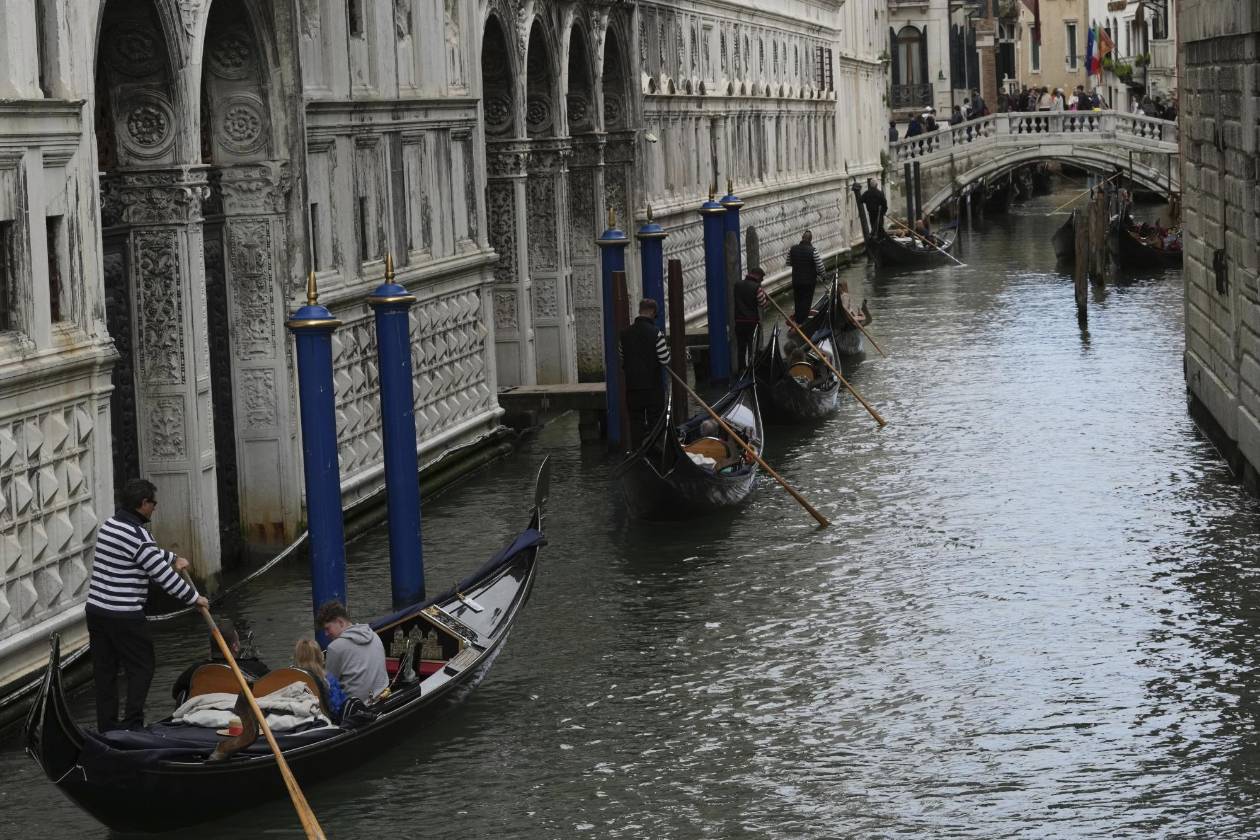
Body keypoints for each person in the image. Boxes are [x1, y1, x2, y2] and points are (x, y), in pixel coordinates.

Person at [87, 478, 208, 731]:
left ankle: (107, 727)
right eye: (154, 503)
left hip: (97, 611)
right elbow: (162, 577)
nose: (155, 508)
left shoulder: (111, 525)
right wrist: (195, 598)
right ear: (143, 504)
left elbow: (142, 553)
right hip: (125, 616)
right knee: (142, 667)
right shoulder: (139, 536)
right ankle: (133, 725)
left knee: (105, 672)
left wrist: (172, 557)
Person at [170, 617, 269, 705]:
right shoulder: (256, 668)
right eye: (238, 641)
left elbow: (176, 693)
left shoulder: (195, 671)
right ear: (235, 647)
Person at [619, 298, 671, 448]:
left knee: (636, 422)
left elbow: (622, 357)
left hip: (633, 387)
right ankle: (654, 450)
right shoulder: (656, 333)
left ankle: (637, 451)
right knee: (655, 421)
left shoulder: (624, 334)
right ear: (653, 313)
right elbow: (664, 359)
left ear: (640, 311)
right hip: (652, 389)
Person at [317, 600, 388, 704]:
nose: (326, 634)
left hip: (355, 707)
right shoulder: (374, 635)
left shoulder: (335, 647)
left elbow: (330, 685)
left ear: (340, 622)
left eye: (328, 628)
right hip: (383, 697)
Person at [293, 637, 347, 720]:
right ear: (319, 656)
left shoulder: (292, 680)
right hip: (328, 723)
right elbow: (339, 708)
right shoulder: (328, 680)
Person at [786, 230, 825, 326]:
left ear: (802, 238)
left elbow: (788, 263)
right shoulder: (813, 251)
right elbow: (820, 266)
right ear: (810, 240)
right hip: (809, 281)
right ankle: (803, 322)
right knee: (806, 302)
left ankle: (798, 320)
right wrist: (823, 276)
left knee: (798, 301)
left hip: (796, 280)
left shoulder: (792, 249)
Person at [733, 268, 768, 374]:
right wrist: (765, 299)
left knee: (741, 347)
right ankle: (752, 369)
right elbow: (763, 304)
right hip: (752, 322)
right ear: (757, 276)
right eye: (761, 279)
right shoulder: (757, 288)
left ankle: (741, 369)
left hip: (739, 321)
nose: (761, 281)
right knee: (752, 347)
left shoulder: (737, 285)